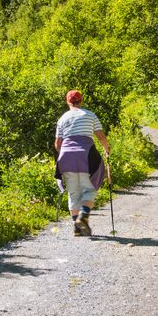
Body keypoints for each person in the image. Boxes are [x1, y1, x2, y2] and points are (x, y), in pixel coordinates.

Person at [54, 89, 110, 237]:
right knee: (89, 188)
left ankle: (77, 229)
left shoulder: (62, 118)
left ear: (67, 102)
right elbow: (100, 136)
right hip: (85, 155)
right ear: (81, 101)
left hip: (66, 157)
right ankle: (83, 216)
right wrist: (106, 149)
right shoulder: (89, 115)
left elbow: (57, 144)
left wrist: (66, 156)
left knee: (73, 192)